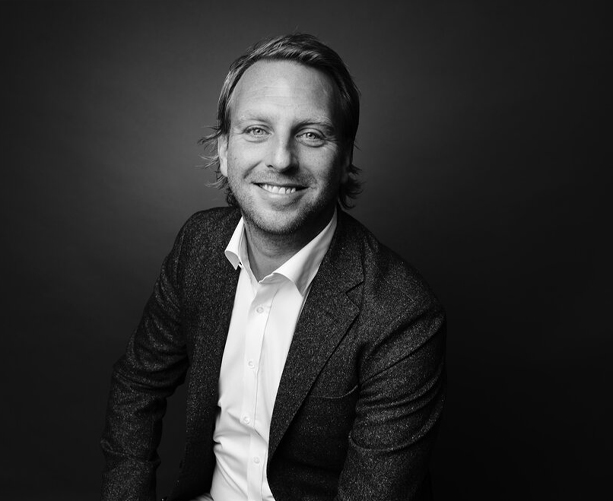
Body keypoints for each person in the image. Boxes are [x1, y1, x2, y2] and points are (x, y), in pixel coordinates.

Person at [101, 33, 446, 501]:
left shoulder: (402, 313)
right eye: (256, 130)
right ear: (224, 150)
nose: (281, 159)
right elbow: (138, 383)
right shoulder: (199, 245)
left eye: (311, 135)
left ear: (345, 159)